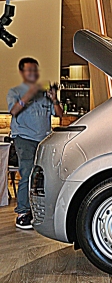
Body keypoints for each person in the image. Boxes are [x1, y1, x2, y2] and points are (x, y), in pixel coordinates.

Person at [7, 57, 63, 229]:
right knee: (28, 173)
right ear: (22, 72)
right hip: (24, 138)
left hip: (44, 140)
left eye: (35, 70)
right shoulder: (15, 91)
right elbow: (13, 111)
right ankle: (23, 213)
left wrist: (54, 99)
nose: (33, 73)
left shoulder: (44, 94)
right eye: (29, 70)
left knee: (44, 175)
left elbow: (59, 114)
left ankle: (39, 209)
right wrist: (28, 95)